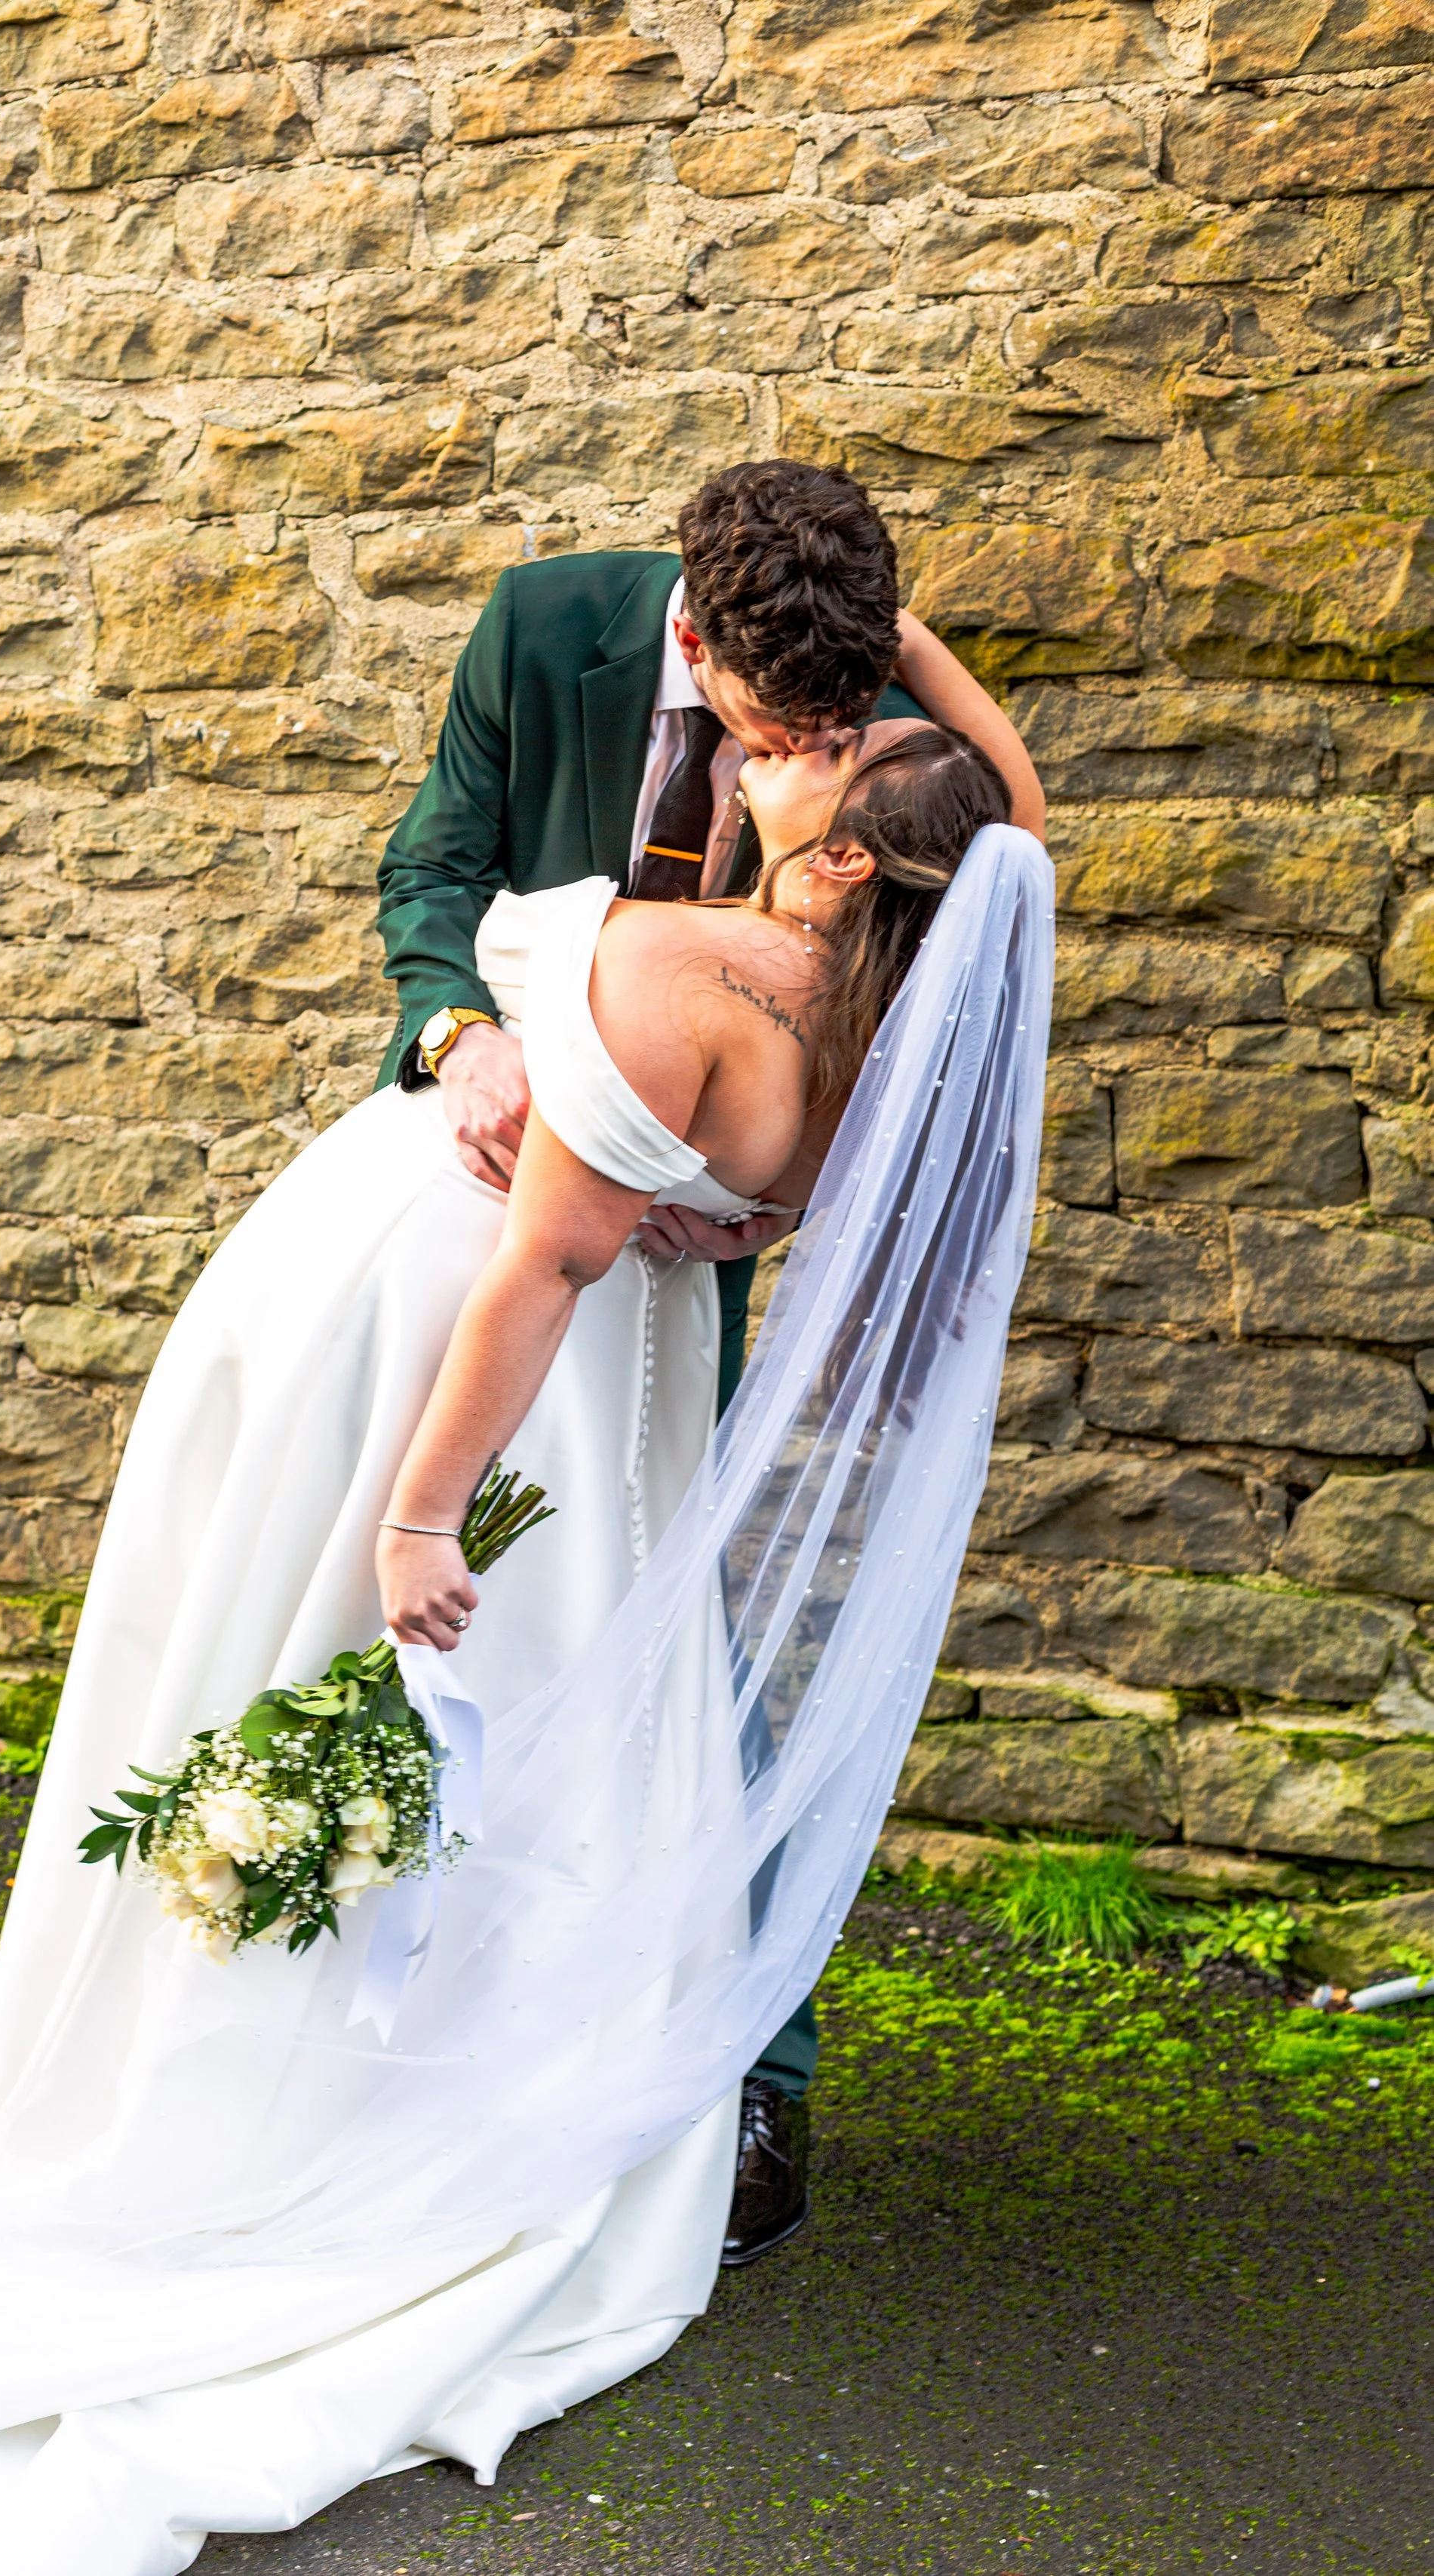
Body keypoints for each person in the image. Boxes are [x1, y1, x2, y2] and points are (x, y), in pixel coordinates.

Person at [0, 613, 1052, 2576]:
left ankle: (277, 2060)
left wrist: (422, 1515)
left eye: (816, 764)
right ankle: (414, 2018)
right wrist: (895, 649)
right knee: (546, 1671)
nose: (782, 757)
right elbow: (1001, 816)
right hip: (621, 1422)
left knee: (386, 1642)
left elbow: (536, 1278)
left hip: (484, 1376)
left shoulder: (683, 962)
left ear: (848, 852)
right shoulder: (901, 1017)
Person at [377, 457, 1046, 2261]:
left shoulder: (869, 731)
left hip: (673, 1240)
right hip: (489, 1182)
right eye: (789, 717)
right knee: (468, 1604)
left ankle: (748, 2067)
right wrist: (460, 1041)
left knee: (684, 1623)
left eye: (851, 710)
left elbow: (973, 906)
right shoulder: (541, 628)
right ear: (692, 634)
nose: (822, 736)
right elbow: (434, 870)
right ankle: (396, 2002)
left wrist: (754, 1209)